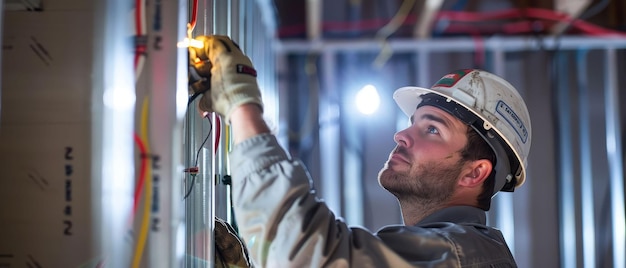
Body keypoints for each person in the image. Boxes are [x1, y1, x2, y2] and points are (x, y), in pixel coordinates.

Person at [189, 35, 532, 267]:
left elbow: (312, 252)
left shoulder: (460, 255)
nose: (401, 135)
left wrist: (241, 104)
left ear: (475, 172)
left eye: (432, 129)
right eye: (412, 122)